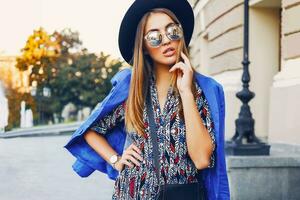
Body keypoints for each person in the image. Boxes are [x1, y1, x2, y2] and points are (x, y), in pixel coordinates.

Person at [64, 0, 230, 199]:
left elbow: (202, 159)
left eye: (172, 31)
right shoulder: (132, 90)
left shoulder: (202, 90)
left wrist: (186, 92)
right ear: (143, 46)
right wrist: (116, 159)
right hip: (132, 192)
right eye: (154, 37)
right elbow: (91, 131)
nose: (166, 40)